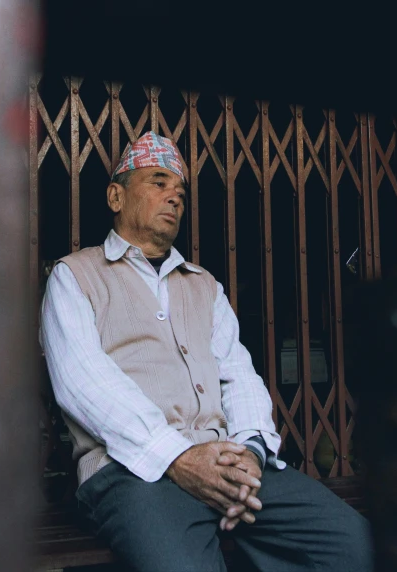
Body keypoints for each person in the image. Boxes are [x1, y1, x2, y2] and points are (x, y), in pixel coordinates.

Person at [40, 131, 372, 571]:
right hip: (130, 472)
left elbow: (238, 376)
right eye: (158, 182)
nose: (174, 197)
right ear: (116, 196)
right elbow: (84, 383)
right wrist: (177, 456)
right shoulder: (74, 277)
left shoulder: (204, 285)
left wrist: (251, 452)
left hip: (227, 461)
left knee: (356, 547)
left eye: (180, 191)